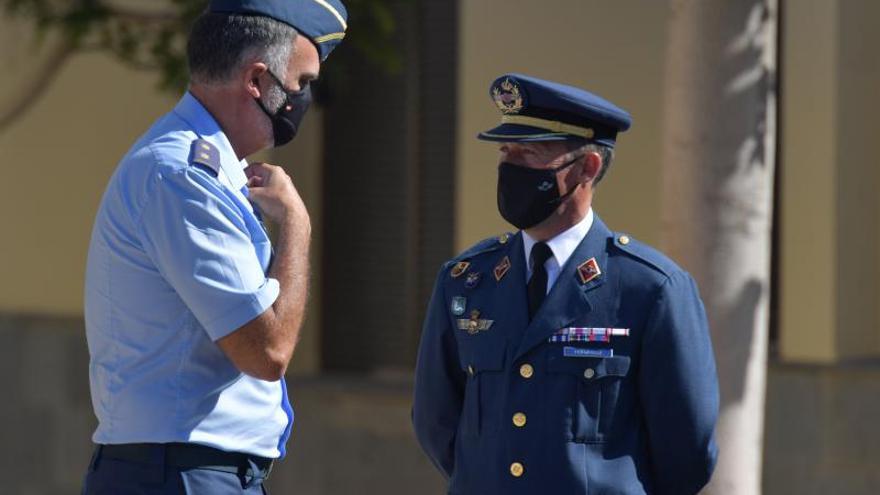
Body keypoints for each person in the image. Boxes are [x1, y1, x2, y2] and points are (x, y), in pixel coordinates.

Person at [81, 1, 347, 493]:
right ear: (257, 80)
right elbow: (267, 351)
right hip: (179, 473)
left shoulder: (206, 169)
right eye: (302, 83)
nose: (304, 99)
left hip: (190, 469)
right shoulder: (183, 177)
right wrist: (297, 226)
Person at [412, 73, 719, 495]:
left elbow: (687, 447)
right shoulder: (466, 280)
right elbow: (436, 420)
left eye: (529, 153)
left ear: (585, 169)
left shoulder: (650, 288)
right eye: (506, 151)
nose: (509, 167)